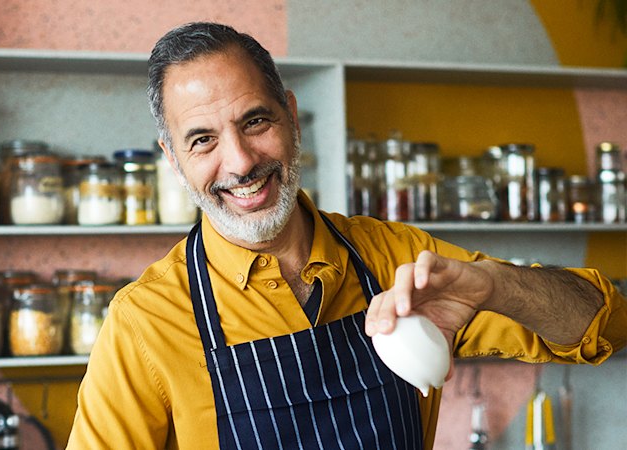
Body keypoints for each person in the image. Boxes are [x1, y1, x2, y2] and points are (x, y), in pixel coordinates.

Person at [67, 22, 627, 450]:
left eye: (255, 121)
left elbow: (609, 326)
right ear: (172, 159)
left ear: (290, 115)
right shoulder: (144, 322)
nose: (239, 162)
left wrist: (495, 285)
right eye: (202, 140)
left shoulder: (400, 259)